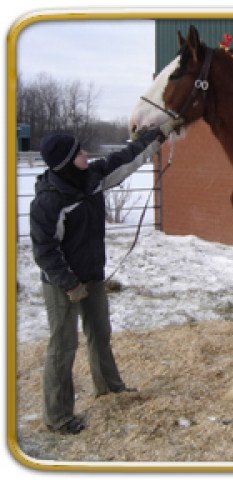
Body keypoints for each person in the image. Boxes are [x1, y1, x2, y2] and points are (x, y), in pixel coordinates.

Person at [29, 123, 172, 434]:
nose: (86, 153)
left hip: (92, 276)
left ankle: (109, 388)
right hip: (61, 284)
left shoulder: (91, 178)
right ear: (66, 161)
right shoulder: (49, 201)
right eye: (78, 152)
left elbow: (125, 159)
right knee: (63, 345)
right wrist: (69, 282)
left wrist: (154, 137)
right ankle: (58, 416)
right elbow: (45, 251)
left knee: (100, 334)